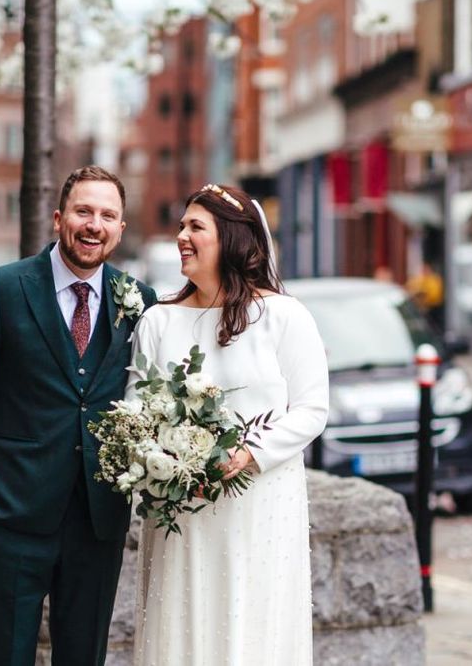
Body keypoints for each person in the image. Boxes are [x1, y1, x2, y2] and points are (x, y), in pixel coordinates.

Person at [0, 165, 157, 666]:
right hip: (11, 514)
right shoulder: (0, 289)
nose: (94, 225)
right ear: (59, 218)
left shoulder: (140, 302)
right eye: (84, 211)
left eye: (108, 215)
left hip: (97, 519)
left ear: (120, 228)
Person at [127, 184, 329, 665]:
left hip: (259, 505)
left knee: (254, 627)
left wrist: (249, 454)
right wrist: (167, 462)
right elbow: (136, 412)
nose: (182, 236)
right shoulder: (157, 321)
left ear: (233, 239)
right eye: (181, 226)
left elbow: (312, 408)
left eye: (196, 226)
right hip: (182, 510)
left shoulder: (282, 316)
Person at [406, 261, 445, 330]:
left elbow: (432, 292)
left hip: (435, 306)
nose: (423, 271)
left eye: (425, 269)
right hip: (428, 306)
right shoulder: (423, 279)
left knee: (434, 323)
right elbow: (412, 288)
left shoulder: (433, 279)